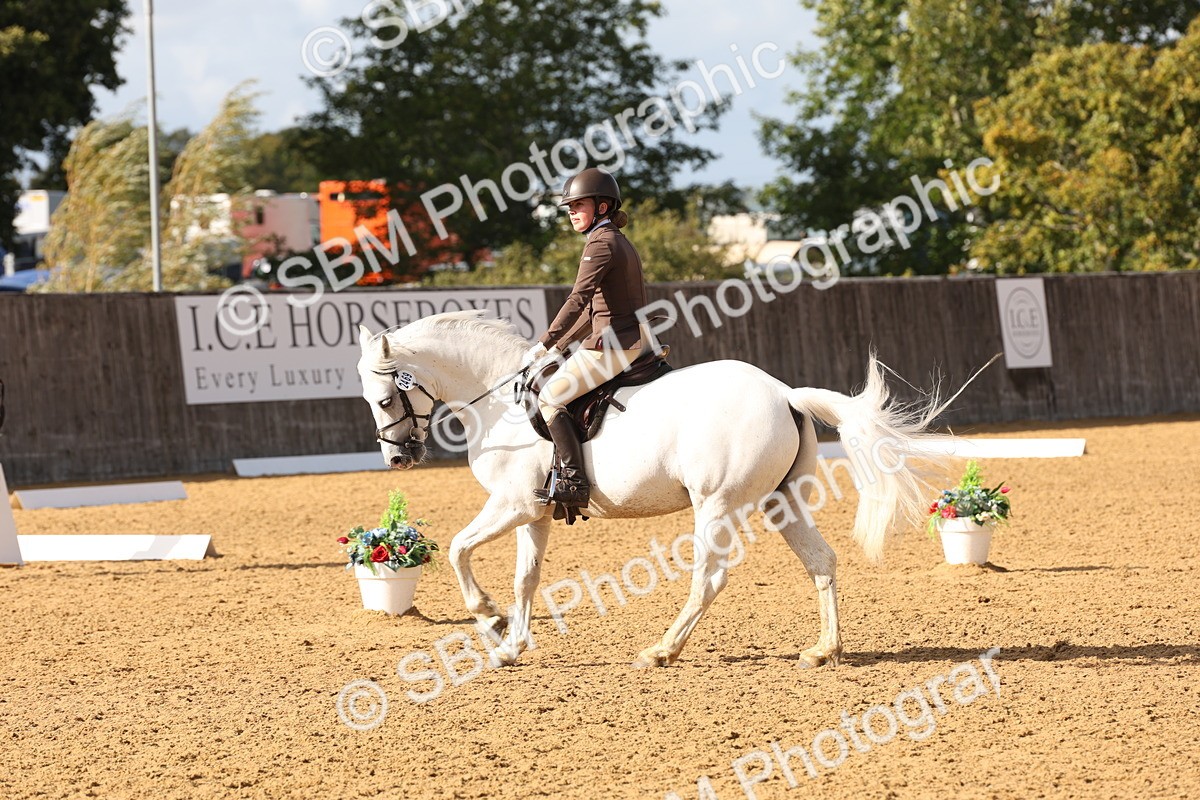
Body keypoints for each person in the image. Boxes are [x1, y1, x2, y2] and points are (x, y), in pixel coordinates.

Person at [521, 167, 650, 508]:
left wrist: (544, 343)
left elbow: (578, 298)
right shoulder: (613, 240)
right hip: (624, 336)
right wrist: (559, 346)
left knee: (549, 399)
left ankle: (574, 483)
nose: (571, 212)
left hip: (614, 345)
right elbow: (594, 308)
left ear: (603, 207)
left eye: (578, 205)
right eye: (569, 207)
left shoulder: (602, 242)